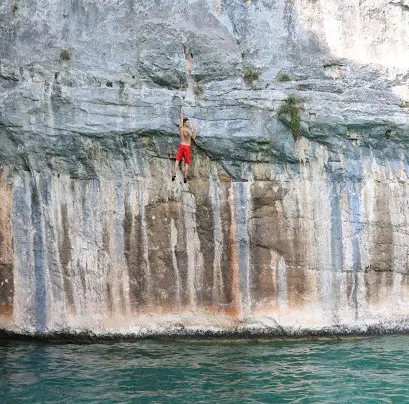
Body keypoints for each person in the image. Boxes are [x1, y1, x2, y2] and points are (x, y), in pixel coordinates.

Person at [172, 106, 196, 183]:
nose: (189, 123)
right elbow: (194, 137)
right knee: (187, 162)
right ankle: (185, 177)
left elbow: (181, 118)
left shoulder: (181, 128)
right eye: (188, 122)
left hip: (181, 145)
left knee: (177, 160)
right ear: (185, 123)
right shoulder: (188, 131)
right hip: (187, 147)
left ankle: (174, 173)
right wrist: (194, 129)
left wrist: (181, 111)